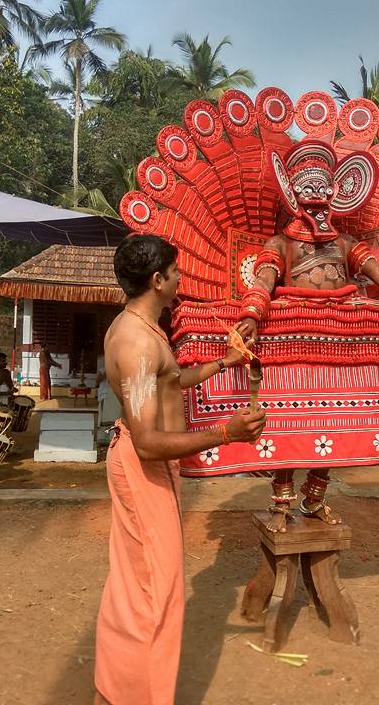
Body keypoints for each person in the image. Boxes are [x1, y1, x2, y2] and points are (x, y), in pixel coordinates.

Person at [94, 234, 266, 705]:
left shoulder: (145, 330)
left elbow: (169, 381)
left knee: (141, 585)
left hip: (149, 466)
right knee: (155, 590)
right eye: (176, 270)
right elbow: (148, 441)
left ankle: (122, 690)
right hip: (142, 463)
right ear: (157, 279)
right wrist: (226, 434)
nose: (181, 277)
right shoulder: (134, 342)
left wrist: (222, 362)